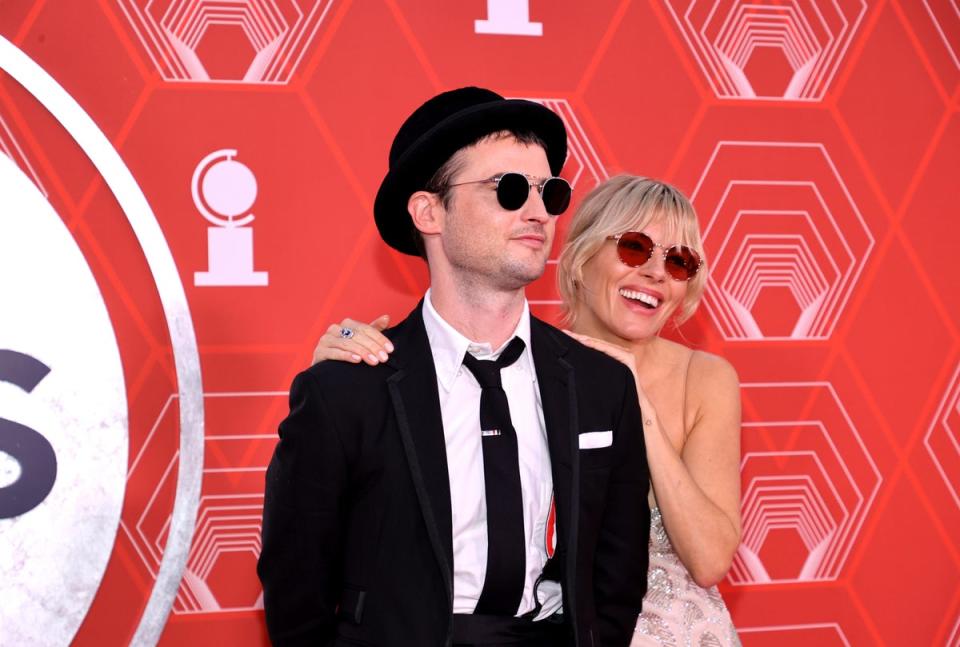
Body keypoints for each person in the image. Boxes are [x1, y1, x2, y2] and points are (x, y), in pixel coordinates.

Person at [258, 87, 650, 647]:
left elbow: (616, 576)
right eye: (509, 189)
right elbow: (297, 588)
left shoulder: (600, 385)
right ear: (428, 211)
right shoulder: (345, 390)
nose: (538, 212)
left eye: (549, 192)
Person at [314, 175, 743, 646]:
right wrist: (343, 376)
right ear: (581, 257)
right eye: (636, 248)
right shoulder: (509, 365)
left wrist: (633, 401)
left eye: (680, 262)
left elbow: (708, 559)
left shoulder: (705, 378)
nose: (657, 273)